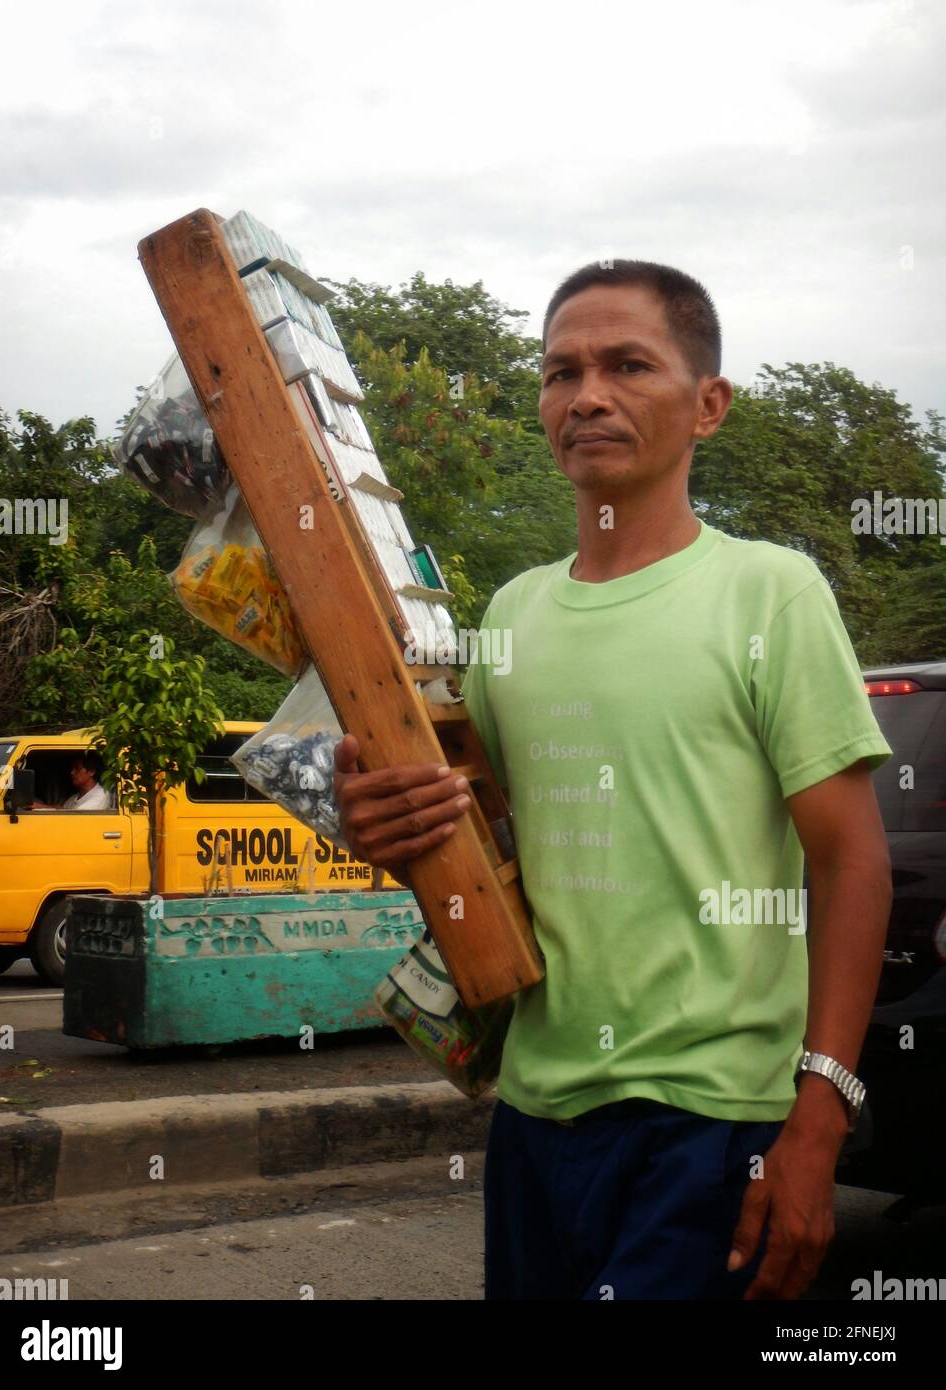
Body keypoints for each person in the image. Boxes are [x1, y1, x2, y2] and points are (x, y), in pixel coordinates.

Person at [333, 260, 893, 1301]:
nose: (586, 395)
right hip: (536, 1117)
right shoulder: (513, 615)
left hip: (714, 1121)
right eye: (561, 372)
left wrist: (819, 1119)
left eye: (628, 365)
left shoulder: (768, 592)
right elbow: (482, 841)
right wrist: (379, 819)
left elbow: (852, 861)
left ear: (708, 405)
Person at [32, 750, 114, 810]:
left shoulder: (100, 796)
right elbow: (62, 809)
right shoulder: (75, 797)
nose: (72, 772)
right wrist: (39, 805)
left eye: (77, 769)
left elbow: (74, 819)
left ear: (91, 772)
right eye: (72, 768)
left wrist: (40, 807)